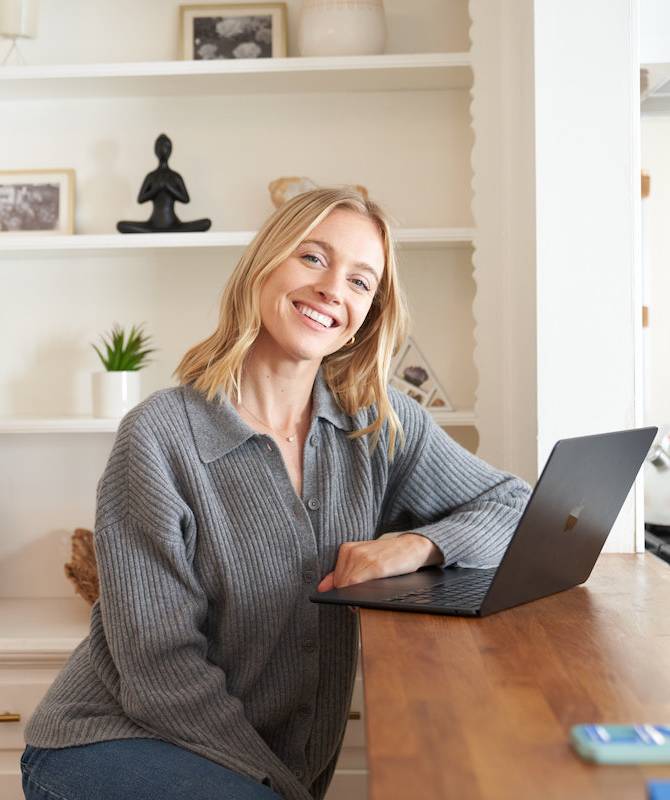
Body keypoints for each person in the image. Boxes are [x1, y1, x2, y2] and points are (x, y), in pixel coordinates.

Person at [20, 187, 532, 800]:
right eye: (313, 258)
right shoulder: (158, 437)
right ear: (264, 265)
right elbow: (161, 671)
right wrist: (281, 788)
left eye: (361, 282)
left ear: (365, 317)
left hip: (260, 770)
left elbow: (516, 505)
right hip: (118, 741)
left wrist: (417, 545)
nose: (332, 289)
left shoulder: (377, 421)